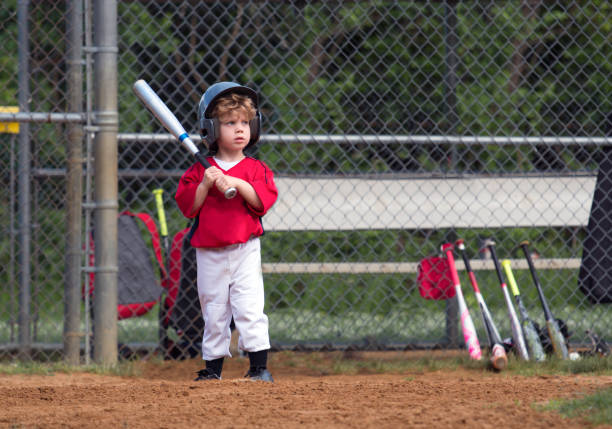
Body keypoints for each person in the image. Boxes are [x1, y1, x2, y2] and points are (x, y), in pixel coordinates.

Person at [175, 82, 278, 382]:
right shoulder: (199, 171)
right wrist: (207, 184)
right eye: (230, 123)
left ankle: (259, 368)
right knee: (214, 309)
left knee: (249, 306)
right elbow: (189, 208)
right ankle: (212, 369)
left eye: (245, 122)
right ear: (210, 129)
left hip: (245, 249)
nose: (239, 129)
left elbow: (262, 201)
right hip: (209, 251)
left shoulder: (256, 169)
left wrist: (239, 183)